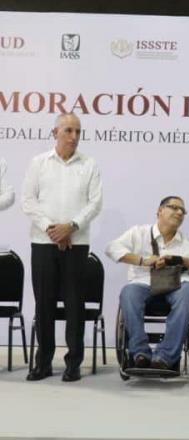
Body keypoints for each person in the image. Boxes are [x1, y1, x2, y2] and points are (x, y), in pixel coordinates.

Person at [22, 113, 103, 382]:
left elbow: (95, 203)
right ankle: (43, 362)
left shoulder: (89, 164)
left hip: (76, 244)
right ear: (55, 132)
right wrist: (52, 228)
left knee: (74, 306)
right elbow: (28, 201)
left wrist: (71, 226)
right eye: (68, 130)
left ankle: (73, 364)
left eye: (78, 131)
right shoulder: (39, 163)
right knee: (43, 305)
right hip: (43, 243)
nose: (74, 136)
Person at [106, 196, 189, 370]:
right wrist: (144, 260)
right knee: (128, 293)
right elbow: (111, 248)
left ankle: (165, 356)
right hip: (143, 283)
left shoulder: (188, 243)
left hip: (178, 285)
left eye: (183, 211)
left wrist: (181, 260)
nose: (179, 212)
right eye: (174, 207)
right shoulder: (138, 233)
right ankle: (140, 353)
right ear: (159, 211)